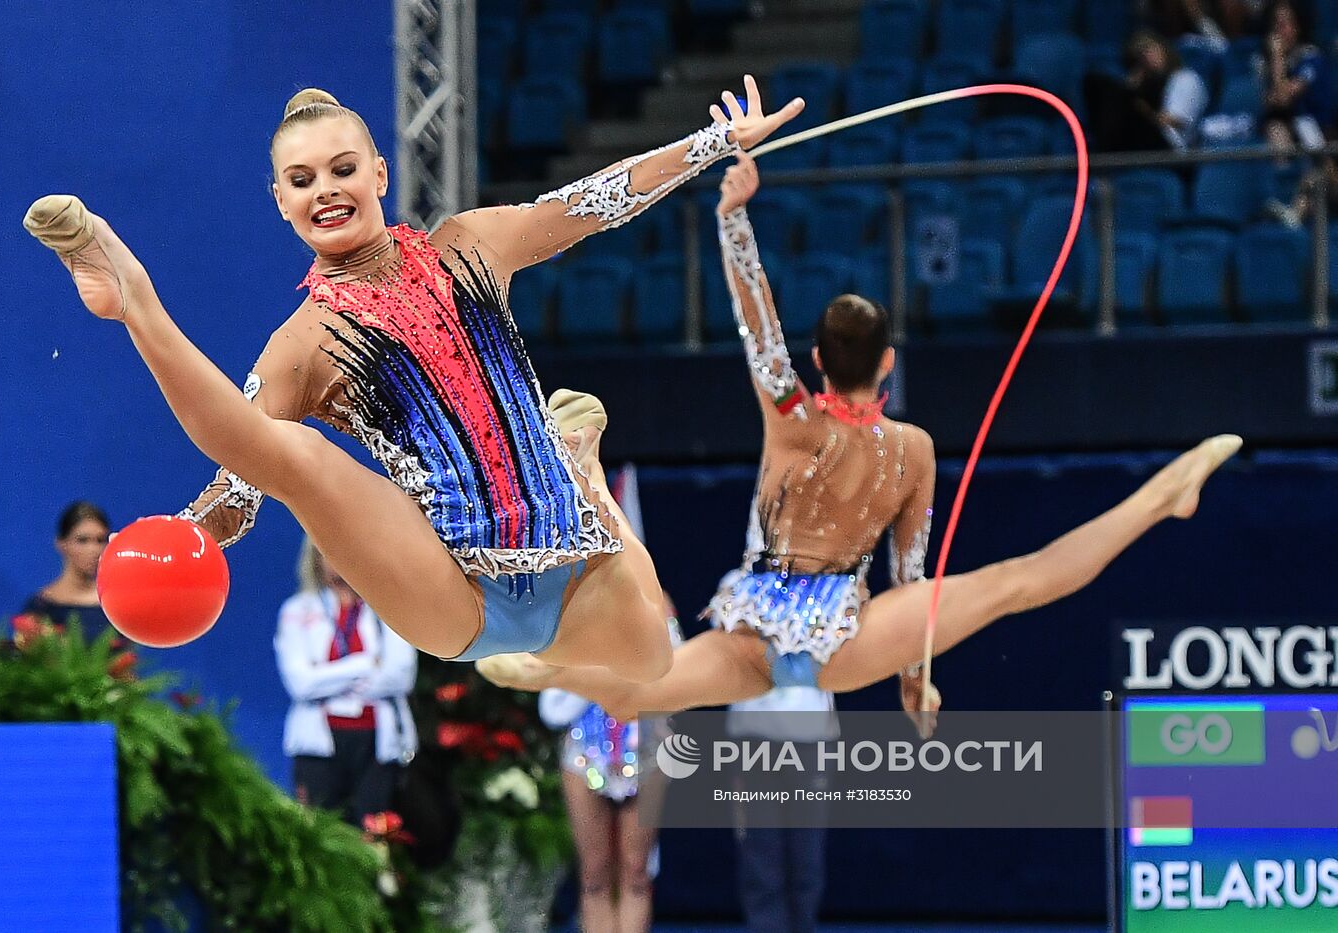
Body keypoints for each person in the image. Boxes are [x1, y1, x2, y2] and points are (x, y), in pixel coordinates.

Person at [24, 78, 803, 684]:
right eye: (301, 180)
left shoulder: (469, 244)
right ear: (280, 203)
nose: (324, 189)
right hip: (449, 589)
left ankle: (582, 466)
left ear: (379, 172)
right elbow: (244, 479)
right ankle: (134, 298)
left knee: (658, 661)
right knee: (291, 452)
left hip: (578, 573)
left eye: (341, 168)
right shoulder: (303, 344)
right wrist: (184, 541)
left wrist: (711, 142)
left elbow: (591, 204)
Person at [476, 152, 1244, 723]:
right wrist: (914, 672)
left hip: (754, 623)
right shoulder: (913, 449)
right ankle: (1160, 496)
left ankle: (549, 667)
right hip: (847, 636)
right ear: (887, 363)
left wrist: (730, 217)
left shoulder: (793, 421)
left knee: (638, 692)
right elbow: (912, 575)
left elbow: (758, 327)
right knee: (1019, 579)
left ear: (818, 362)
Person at [538, 604, 681, 933]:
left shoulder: (658, 605)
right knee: (594, 874)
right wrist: (600, 679)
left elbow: (679, 683)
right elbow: (552, 708)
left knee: (635, 871)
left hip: (646, 753)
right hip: (584, 754)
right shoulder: (571, 609)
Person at [275, 537, 418, 826]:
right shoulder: (297, 610)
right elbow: (301, 683)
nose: (337, 560)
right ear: (315, 558)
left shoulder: (390, 607)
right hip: (319, 746)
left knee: (375, 837)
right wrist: (365, 664)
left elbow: (401, 675)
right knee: (321, 837)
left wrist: (327, 673)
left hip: (377, 744)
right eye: (328, 551)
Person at [727, 683, 839, 933]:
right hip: (751, 738)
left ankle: (804, 926)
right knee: (759, 856)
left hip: (813, 737)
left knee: (807, 858)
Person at [1086, 31, 1209, 152]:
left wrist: (1141, 110)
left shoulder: (1185, 78)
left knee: (1116, 95)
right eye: (1140, 55)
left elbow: (1176, 121)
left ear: (1163, 48)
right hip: (1144, 144)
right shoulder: (1150, 86)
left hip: (1173, 147)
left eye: (1149, 49)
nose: (1147, 57)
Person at [19, 500, 113, 634]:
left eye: (100, 540)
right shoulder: (40, 607)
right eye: (82, 540)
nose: (94, 550)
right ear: (61, 543)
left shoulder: (115, 606)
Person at [1262, 1, 1328, 155]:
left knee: (1305, 126)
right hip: (1290, 126)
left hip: (1320, 126)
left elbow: (1283, 98)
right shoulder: (1268, 61)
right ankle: (1284, 176)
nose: (1280, 31)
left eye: (1285, 24)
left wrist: (1277, 56)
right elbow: (1268, 101)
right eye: (1276, 24)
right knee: (1275, 129)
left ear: (1297, 27)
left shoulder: (1311, 56)